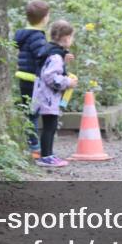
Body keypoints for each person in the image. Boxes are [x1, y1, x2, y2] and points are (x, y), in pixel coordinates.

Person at [30, 20, 80, 168]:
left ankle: (48, 154)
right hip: (48, 97)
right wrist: (67, 82)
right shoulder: (56, 56)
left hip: (44, 95)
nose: (72, 40)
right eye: (71, 37)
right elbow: (50, 76)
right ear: (65, 38)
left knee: (49, 126)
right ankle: (46, 156)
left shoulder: (51, 51)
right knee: (49, 127)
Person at [14, 0, 55, 158]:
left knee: (29, 112)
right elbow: (42, 57)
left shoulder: (23, 35)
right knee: (34, 114)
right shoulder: (37, 37)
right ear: (45, 18)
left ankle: (32, 145)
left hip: (24, 79)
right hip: (34, 81)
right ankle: (34, 147)